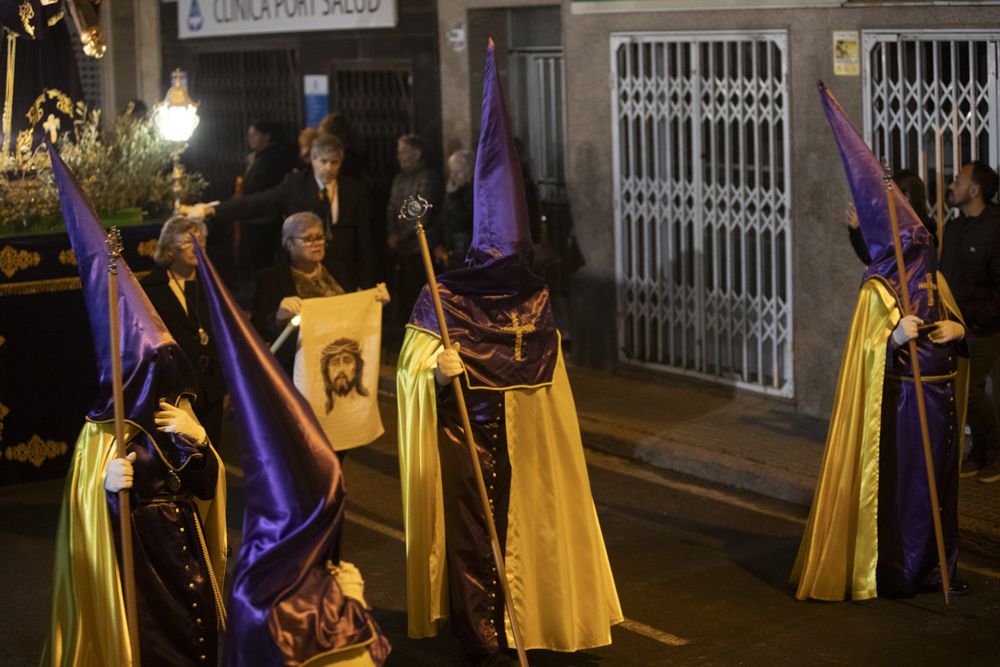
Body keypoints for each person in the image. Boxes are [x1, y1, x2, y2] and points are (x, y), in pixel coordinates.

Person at [396, 44, 622, 664]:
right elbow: (408, 367)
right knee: (473, 539)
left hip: (523, 436)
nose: (508, 275)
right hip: (465, 435)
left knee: (528, 534)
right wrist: (432, 370)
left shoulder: (534, 294)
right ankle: (479, 634)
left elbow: (549, 371)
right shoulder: (444, 296)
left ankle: (524, 620)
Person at [44, 147, 227, 666]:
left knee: (197, 639)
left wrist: (199, 439)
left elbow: (206, 483)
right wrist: (105, 487)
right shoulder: (104, 430)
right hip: (140, 560)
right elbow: (89, 520)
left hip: (184, 550)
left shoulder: (174, 415)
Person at [792, 83, 968, 601]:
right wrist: (892, 334)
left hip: (940, 403)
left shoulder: (930, 276)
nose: (921, 247)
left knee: (941, 494)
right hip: (902, 409)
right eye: (912, 242)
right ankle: (899, 570)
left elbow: (954, 317)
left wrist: (958, 332)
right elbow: (863, 353)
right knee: (904, 489)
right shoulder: (879, 287)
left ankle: (939, 567)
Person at [183, 134, 375, 289]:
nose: (329, 168)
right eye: (323, 161)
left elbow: (364, 240)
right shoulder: (295, 185)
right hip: (303, 272)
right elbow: (257, 203)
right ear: (313, 160)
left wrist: (365, 283)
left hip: (344, 273)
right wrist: (212, 210)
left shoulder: (354, 190)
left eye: (334, 162)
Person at [141, 216, 227, 446]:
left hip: (210, 388)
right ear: (170, 248)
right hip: (175, 389)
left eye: (200, 240)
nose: (197, 246)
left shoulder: (211, 285)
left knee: (211, 450)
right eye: (189, 241)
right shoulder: (151, 289)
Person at [940, 161, 1000, 483]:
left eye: (958, 180)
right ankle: (978, 454)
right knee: (961, 390)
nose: (952, 185)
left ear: (975, 190)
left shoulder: (994, 227)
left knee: (972, 389)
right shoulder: (955, 227)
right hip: (954, 326)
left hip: (983, 328)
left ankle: (995, 451)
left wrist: (981, 318)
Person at [251, 211, 357, 374]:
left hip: (340, 361)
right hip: (298, 369)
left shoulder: (338, 269)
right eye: (308, 239)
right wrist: (278, 318)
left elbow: (354, 310)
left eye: (320, 237)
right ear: (289, 244)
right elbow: (258, 332)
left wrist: (375, 302)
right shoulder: (270, 279)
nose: (317, 243)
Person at [385, 133, 442, 339]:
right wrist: (392, 232)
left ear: (416, 154)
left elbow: (422, 214)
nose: (399, 157)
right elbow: (392, 207)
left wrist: (403, 237)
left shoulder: (427, 177)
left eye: (402, 152)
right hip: (401, 247)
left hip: (419, 247)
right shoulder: (400, 178)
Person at [846, 168, 937, 264]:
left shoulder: (909, 232)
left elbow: (880, 261)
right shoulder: (924, 229)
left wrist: (857, 229)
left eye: (893, 194)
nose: (889, 200)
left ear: (906, 196)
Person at [433, 149, 475, 270]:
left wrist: (452, 197)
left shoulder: (475, 192)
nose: (453, 177)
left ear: (470, 171)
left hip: (467, 255)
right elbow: (442, 218)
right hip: (453, 253)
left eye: (457, 172)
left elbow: (463, 221)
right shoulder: (456, 189)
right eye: (451, 172)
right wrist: (437, 243)